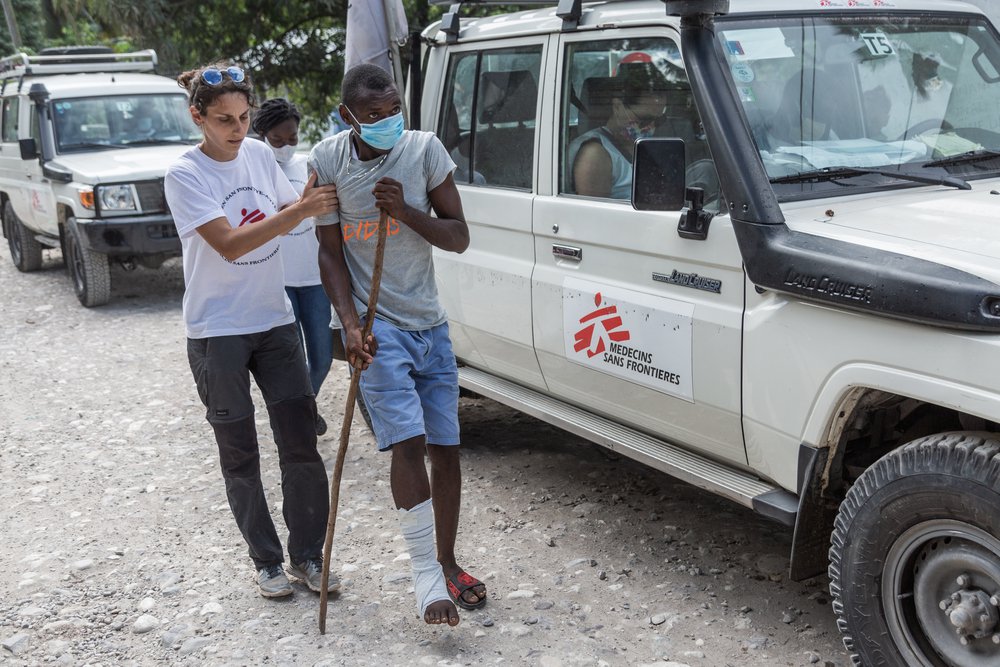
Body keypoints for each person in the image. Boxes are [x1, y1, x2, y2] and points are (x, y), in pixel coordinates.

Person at [310, 63, 483, 627]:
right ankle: (426, 580)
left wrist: (406, 210)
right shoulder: (328, 160)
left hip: (430, 327)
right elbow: (330, 253)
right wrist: (350, 323)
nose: (387, 122)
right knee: (407, 446)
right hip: (377, 333)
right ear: (347, 116)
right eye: (374, 115)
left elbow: (458, 236)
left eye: (393, 111)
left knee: (446, 449)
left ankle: (449, 559)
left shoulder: (424, 151)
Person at [163, 62, 340, 599]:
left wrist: (319, 197)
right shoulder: (185, 174)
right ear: (197, 117)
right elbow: (231, 243)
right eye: (223, 120)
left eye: (243, 118)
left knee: (301, 445)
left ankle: (308, 556)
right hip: (218, 331)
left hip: (274, 322)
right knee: (239, 454)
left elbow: (294, 210)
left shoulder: (262, 155)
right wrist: (300, 211)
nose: (237, 130)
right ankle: (265, 562)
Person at [252, 98, 335, 436]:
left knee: (324, 357)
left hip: (316, 278)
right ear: (261, 135)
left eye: (292, 138)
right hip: (278, 279)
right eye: (277, 139)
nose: (286, 146)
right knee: (294, 362)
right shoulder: (254, 171)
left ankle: (303, 409)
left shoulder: (309, 165)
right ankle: (301, 418)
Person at [569, 61, 670, 198]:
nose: (650, 127)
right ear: (617, 107)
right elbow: (595, 216)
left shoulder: (640, 146)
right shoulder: (595, 154)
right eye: (644, 119)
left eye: (657, 120)